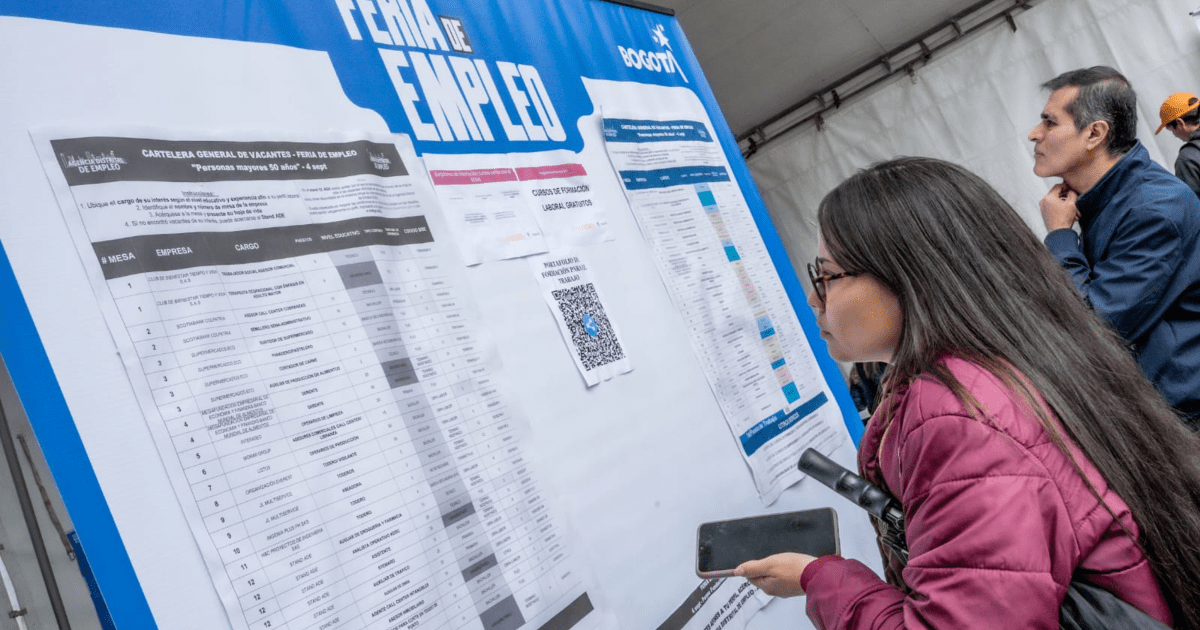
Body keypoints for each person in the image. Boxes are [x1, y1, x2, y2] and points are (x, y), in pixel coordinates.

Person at [734, 157, 1200, 629]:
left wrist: (820, 579)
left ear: (908, 274)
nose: (815, 299)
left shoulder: (957, 414)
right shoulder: (1015, 355)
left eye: (827, 276)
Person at [1029, 66, 1200, 428]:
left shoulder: (1153, 209)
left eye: (1049, 122)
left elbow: (1095, 325)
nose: (1034, 134)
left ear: (1094, 133)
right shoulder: (1108, 200)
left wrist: (1060, 236)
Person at [1155, 91, 1200, 198]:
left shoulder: (1188, 158)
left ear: (1180, 123)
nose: (1175, 135)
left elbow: (1190, 207)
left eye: (1172, 130)